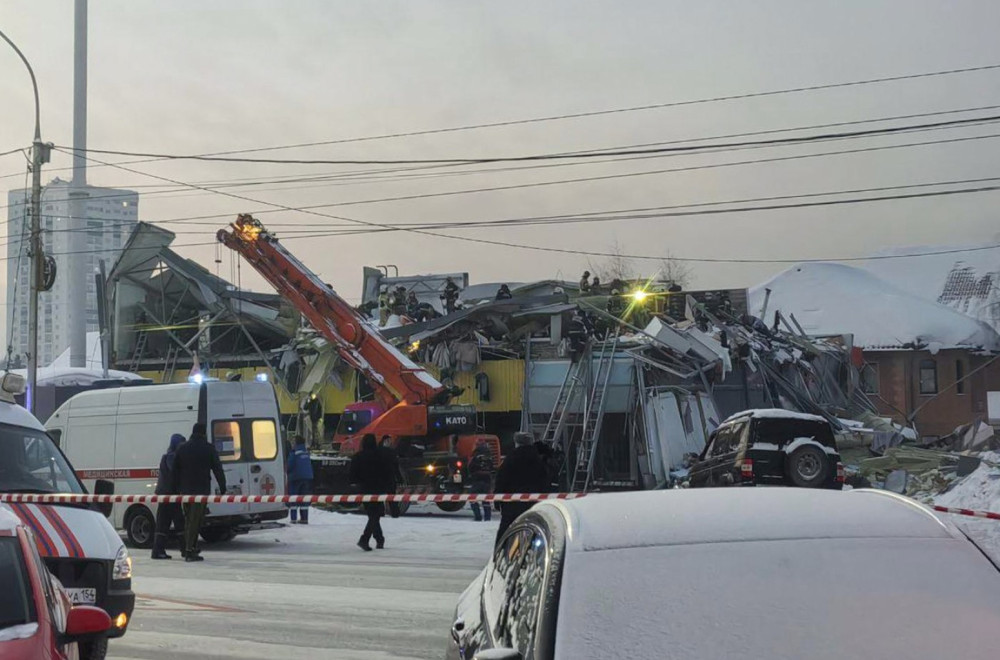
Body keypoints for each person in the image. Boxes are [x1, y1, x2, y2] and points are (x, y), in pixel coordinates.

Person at [170, 422, 227, 562]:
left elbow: (175, 470)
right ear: (203, 433)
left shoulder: (182, 449)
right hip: (201, 490)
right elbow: (217, 469)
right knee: (195, 521)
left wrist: (176, 488)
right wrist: (222, 486)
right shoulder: (208, 448)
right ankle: (189, 550)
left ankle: (190, 547)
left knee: (189, 519)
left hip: (185, 490)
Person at [493, 432, 549, 544]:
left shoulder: (511, 458)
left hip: (512, 503)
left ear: (517, 443)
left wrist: (497, 499)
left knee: (506, 530)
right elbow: (545, 480)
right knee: (534, 528)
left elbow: (501, 479)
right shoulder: (538, 459)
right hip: (533, 502)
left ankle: (499, 554)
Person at [349, 434, 396, 551]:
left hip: (364, 489)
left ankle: (379, 539)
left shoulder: (357, 457)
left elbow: (352, 475)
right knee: (376, 514)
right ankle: (366, 539)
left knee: (373, 515)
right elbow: (388, 472)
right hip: (378, 489)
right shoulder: (381, 455)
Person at [151, 433, 186, 560]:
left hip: (164, 493)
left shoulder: (166, 456)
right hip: (170, 494)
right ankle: (184, 548)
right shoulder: (173, 457)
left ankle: (158, 550)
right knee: (178, 522)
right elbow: (174, 473)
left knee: (163, 522)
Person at [286, 435, 314, 524]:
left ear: (296, 443)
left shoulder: (294, 452)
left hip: (296, 478)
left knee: (293, 498)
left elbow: (289, 466)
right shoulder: (306, 452)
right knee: (304, 498)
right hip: (307, 477)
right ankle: (304, 518)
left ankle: (293, 519)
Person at [467, 440, 495, 522]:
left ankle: (478, 517)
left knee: (473, 499)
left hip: (477, 480)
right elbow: (492, 469)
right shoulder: (489, 458)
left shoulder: (475, 457)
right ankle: (487, 518)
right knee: (486, 500)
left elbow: (470, 468)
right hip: (487, 481)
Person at [379, 435, 403, 518]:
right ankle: (395, 512)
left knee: (379, 496)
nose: (390, 442)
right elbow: (396, 466)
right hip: (389, 477)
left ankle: (381, 512)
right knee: (391, 496)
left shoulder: (377, 451)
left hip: (381, 477)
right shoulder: (392, 453)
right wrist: (399, 478)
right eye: (388, 441)